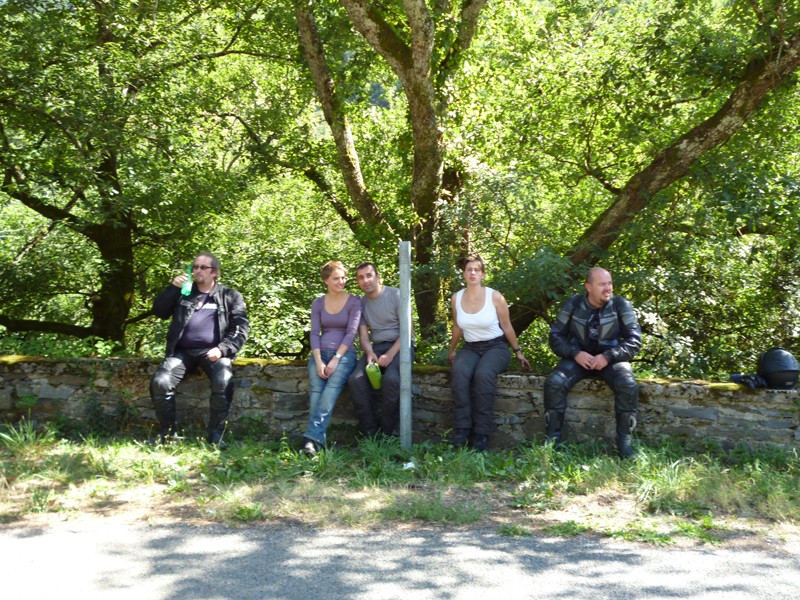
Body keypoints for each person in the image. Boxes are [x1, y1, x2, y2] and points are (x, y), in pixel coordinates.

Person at [149, 252, 248, 448]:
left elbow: (240, 328)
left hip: (214, 352)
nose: (197, 271)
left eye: (203, 267)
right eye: (195, 267)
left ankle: (215, 436)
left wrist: (222, 349)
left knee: (223, 380)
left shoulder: (230, 296)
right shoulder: (184, 292)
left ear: (215, 272)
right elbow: (159, 312)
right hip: (182, 352)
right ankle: (168, 435)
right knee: (160, 382)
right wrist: (172, 288)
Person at [543, 267, 642, 458]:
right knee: (554, 382)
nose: (608, 288)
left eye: (610, 283)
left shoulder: (621, 305)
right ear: (588, 287)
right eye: (602, 284)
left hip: (611, 360)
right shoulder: (573, 303)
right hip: (577, 359)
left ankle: (625, 444)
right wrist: (575, 353)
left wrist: (608, 356)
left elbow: (634, 341)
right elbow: (555, 336)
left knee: (628, 385)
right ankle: (552, 442)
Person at [447, 255, 530, 451]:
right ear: (464, 274)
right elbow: (458, 327)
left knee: (483, 375)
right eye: (469, 269)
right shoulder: (456, 298)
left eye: (477, 269)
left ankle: (482, 434)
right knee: (459, 373)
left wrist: (518, 352)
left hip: (496, 347)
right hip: (471, 347)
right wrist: (451, 350)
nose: (473, 273)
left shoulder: (495, 296)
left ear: (483, 274)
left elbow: (507, 327)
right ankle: (462, 430)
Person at [347, 262, 414, 437]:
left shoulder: (396, 294)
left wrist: (390, 354)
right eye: (361, 277)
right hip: (376, 347)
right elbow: (363, 336)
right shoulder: (360, 303)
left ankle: (387, 432)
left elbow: (409, 330)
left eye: (369, 275)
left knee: (391, 380)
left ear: (377, 277)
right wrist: (370, 353)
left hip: (402, 346)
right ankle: (371, 433)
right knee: (355, 379)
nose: (365, 280)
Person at [302, 261, 361, 455]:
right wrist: (318, 361)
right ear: (326, 280)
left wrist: (336, 358)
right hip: (320, 354)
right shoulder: (318, 303)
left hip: (344, 355)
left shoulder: (354, 301)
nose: (341, 281)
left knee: (328, 395)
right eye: (336, 278)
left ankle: (310, 440)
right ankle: (316, 443)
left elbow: (352, 332)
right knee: (316, 396)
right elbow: (314, 333)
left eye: (343, 278)